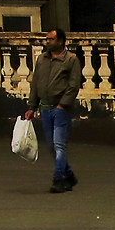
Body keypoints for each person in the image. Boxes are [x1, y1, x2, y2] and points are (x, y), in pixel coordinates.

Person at [29, 28, 84, 192]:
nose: (47, 42)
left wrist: (62, 104)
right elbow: (35, 83)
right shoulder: (42, 60)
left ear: (60, 41)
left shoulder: (71, 60)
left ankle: (58, 179)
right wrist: (32, 106)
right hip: (45, 107)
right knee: (52, 146)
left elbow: (74, 85)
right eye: (47, 39)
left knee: (59, 145)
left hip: (60, 108)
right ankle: (69, 176)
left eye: (51, 39)